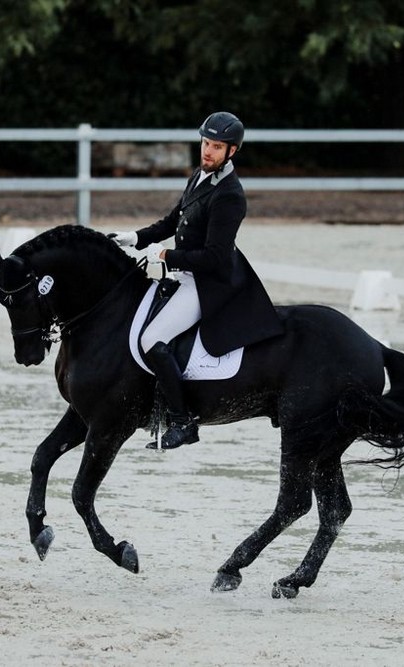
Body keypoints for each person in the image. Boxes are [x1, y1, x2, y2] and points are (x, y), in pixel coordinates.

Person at [109, 111, 283, 449]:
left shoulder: (230, 195)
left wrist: (165, 256)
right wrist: (134, 237)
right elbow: (171, 222)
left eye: (217, 147)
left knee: (152, 338)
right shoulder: (200, 176)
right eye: (205, 143)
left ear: (232, 152)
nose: (207, 151)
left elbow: (215, 258)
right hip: (186, 274)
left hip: (208, 283)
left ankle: (182, 420)